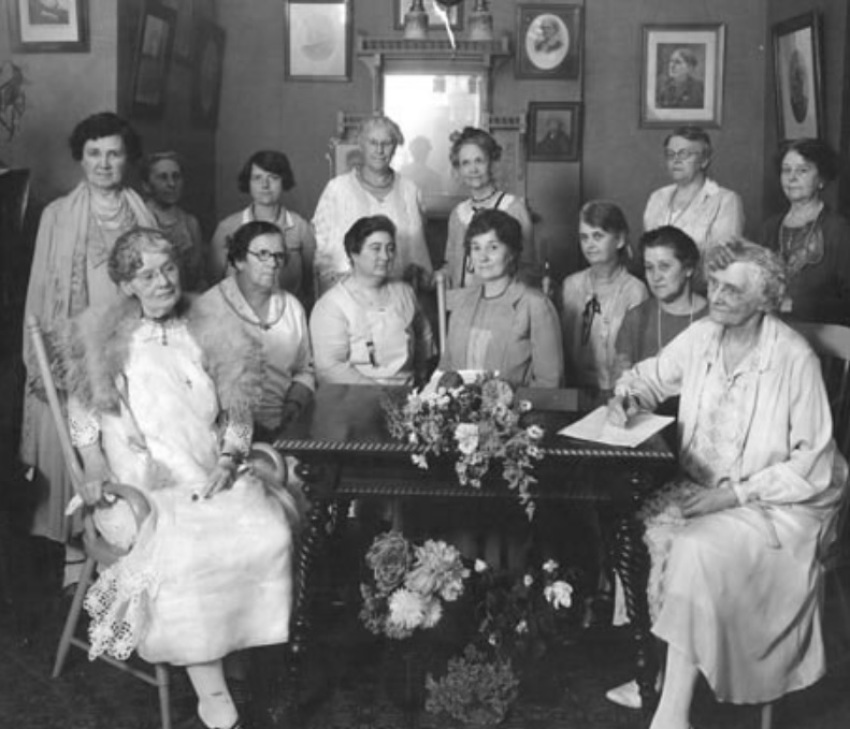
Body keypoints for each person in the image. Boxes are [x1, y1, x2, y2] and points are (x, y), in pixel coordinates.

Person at [606, 240, 847, 725]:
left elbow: (813, 462)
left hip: (776, 502)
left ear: (764, 298)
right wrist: (628, 397)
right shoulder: (702, 337)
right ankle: (654, 669)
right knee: (630, 521)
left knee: (694, 548)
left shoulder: (793, 357)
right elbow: (650, 377)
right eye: (713, 284)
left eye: (731, 290)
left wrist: (733, 495)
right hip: (703, 486)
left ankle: (671, 711)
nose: (715, 296)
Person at [64, 228, 296, 729]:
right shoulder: (106, 339)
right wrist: (95, 468)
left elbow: (237, 409)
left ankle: (232, 644)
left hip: (208, 467)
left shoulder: (208, 328)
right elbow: (83, 409)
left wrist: (230, 458)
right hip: (141, 480)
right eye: (146, 274)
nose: (162, 281)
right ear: (127, 284)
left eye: (168, 268)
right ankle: (213, 696)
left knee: (268, 529)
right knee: (185, 552)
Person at [20, 112, 156, 580]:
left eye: (114, 153)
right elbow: (40, 291)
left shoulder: (142, 211)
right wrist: (43, 361)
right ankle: (77, 555)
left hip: (131, 348)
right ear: (81, 158)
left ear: (128, 158)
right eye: (94, 153)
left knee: (130, 443)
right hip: (75, 349)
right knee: (77, 447)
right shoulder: (58, 215)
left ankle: (129, 548)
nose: (103, 163)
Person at [196, 221, 315, 441]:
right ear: (240, 260)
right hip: (224, 433)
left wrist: (294, 403)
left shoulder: (291, 307)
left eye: (278, 256)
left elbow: (304, 369)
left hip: (284, 426)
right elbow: (196, 385)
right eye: (262, 254)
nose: (272, 263)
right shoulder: (208, 308)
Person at [440, 209, 563, 387]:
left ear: (512, 253)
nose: (483, 257)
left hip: (519, 412)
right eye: (476, 248)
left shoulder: (535, 305)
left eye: (493, 247)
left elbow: (550, 384)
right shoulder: (461, 303)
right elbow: (445, 372)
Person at [312, 115, 432, 296]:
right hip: (348, 297)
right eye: (373, 143)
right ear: (361, 145)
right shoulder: (337, 189)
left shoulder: (409, 190)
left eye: (387, 143)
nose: (380, 150)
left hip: (397, 297)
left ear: (395, 147)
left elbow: (417, 253)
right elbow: (323, 254)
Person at [310, 215, 434, 386]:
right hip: (356, 397)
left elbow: (423, 338)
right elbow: (330, 368)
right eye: (376, 248)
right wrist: (380, 395)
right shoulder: (331, 306)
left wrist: (422, 383)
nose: (385, 256)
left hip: (409, 394)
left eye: (390, 248)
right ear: (354, 253)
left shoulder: (404, 292)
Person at [759, 138, 850, 324]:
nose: (792, 177)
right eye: (786, 170)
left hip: (825, 338)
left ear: (822, 178)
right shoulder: (769, 228)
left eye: (802, 170)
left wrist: (795, 304)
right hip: (771, 330)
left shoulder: (838, 229)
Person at [210, 150, 315, 307]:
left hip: (287, 316)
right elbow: (213, 282)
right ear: (248, 183)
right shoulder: (227, 228)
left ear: (284, 181)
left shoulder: (300, 227)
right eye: (257, 178)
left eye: (273, 178)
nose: (265, 185)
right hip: (237, 316)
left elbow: (309, 284)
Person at [561, 201, 648, 391]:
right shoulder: (571, 286)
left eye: (598, 236)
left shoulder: (634, 291)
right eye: (584, 237)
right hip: (573, 391)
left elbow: (634, 357)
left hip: (615, 391)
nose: (589, 245)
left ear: (620, 240)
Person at [443, 127, 534, 289]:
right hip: (462, 306)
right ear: (459, 169)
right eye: (466, 163)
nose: (473, 170)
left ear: (492, 162)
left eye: (479, 161)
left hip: (501, 306)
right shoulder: (457, 215)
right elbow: (452, 266)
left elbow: (527, 268)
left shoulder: (513, 208)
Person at [615, 226, 707, 373]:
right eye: (649, 268)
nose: (656, 277)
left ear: (688, 268)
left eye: (664, 267)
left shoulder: (713, 318)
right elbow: (622, 383)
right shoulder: (636, 318)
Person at [643, 127, 744, 253]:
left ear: (704, 161)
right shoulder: (657, 197)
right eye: (670, 154)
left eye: (684, 154)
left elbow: (723, 257)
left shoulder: (726, 200)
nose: (676, 160)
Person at [141, 151, 206, 292]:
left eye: (176, 177)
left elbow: (199, 278)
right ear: (146, 185)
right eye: (163, 178)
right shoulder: (138, 220)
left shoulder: (190, 223)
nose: (171, 184)